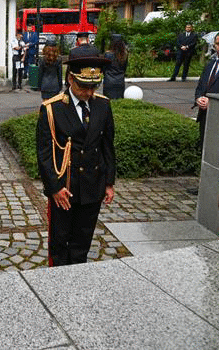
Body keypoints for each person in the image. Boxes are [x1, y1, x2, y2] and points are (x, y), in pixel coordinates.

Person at [36, 44, 115, 267]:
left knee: (82, 243)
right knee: (60, 245)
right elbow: (44, 154)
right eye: (83, 86)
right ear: (70, 79)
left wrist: (109, 183)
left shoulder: (103, 106)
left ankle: (78, 280)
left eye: (93, 86)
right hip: (65, 189)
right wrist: (54, 188)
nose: (89, 93)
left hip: (93, 186)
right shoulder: (52, 109)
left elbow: (107, 146)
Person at [103, 34, 129, 99]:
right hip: (120, 81)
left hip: (109, 81)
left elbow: (104, 68)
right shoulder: (124, 55)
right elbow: (124, 68)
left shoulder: (107, 55)